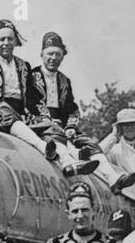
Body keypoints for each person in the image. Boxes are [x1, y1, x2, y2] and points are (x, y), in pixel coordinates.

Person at [0, 20, 95, 176]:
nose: (6, 43)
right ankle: (45, 148)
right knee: (12, 118)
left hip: (21, 115)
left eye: (10, 39)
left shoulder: (24, 66)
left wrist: (43, 117)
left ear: (15, 41)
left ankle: (69, 162)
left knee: (51, 128)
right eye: (2, 39)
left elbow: (32, 98)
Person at [28, 31, 98, 159]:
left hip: (62, 126)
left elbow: (72, 108)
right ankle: (75, 157)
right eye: (50, 53)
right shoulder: (30, 76)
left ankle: (113, 176)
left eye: (58, 54)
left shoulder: (65, 81)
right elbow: (29, 103)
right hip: (39, 124)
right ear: (42, 55)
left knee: (90, 144)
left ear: (62, 57)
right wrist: (46, 120)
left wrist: (71, 126)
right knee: (56, 136)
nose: (54, 58)